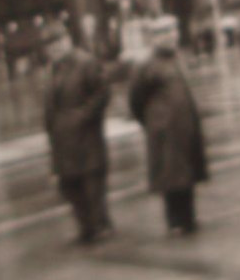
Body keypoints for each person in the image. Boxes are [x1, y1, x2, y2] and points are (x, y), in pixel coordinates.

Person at [128, 17, 209, 237]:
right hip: (165, 130)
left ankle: (189, 218)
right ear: (155, 38)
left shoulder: (178, 57)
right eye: (165, 33)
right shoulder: (146, 64)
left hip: (185, 126)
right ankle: (175, 221)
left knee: (187, 173)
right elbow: (136, 100)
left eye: (173, 32)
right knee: (171, 176)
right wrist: (155, 122)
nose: (172, 36)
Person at [41, 20, 114, 244]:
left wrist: (83, 115)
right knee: (70, 186)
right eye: (50, 46)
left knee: (91, 185)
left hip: (86, 137)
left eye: (58, 43)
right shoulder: (51, 70)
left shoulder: (85, 62)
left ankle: (99, 226)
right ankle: (87, 227)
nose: (55, 49)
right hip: (63, 140)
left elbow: (103, 93)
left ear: (68, 40)